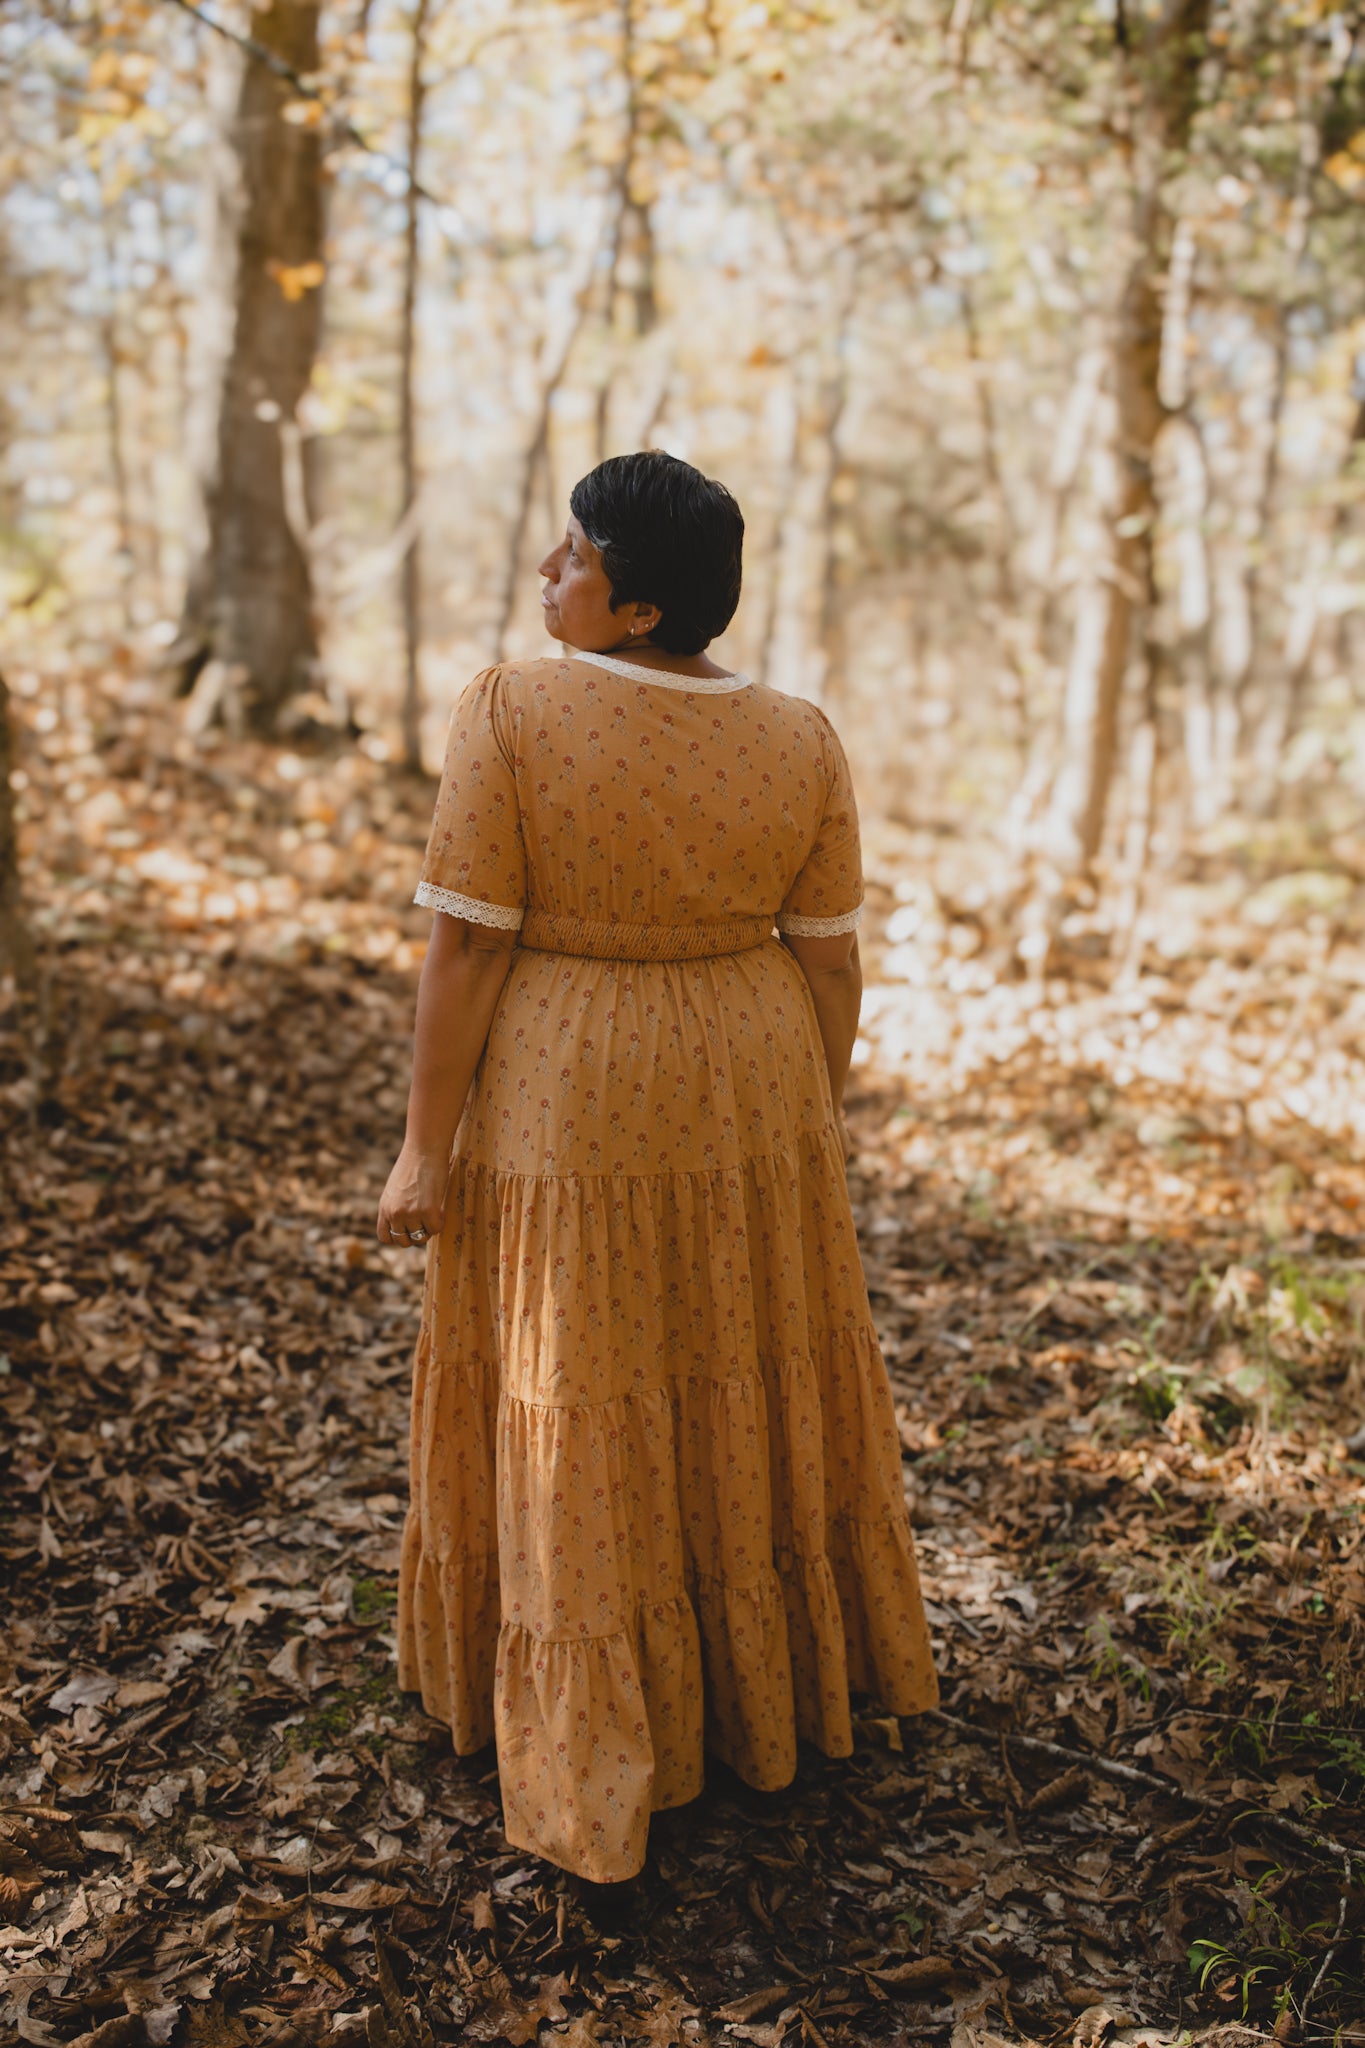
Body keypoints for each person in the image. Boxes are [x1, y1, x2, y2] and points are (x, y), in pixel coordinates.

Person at [377, 449, 937, 1889]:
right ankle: (761, 1696)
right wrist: (811, 1115)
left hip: (573, 1081)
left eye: (570, 558)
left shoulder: (510, 707)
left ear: (634, 607)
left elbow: (470, 946)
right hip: (751, 1075)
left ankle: (589, 1723)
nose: (545, 577)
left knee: (581, 1379)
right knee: (733, 1361)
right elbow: (828, 960)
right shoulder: (800, 735)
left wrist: (418, 1148)